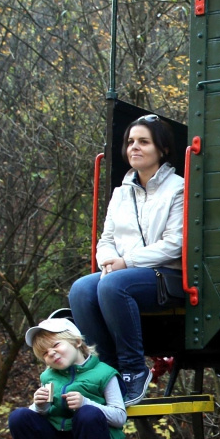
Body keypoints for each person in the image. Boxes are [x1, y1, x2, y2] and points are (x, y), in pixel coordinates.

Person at [69, 115, 184, 406]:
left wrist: (126, 262)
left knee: (113, 285)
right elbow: (106, 239)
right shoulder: (121, 193)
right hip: (122, 273)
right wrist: (108, 261)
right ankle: (106, 372)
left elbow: (175, 244)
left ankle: (134, 370)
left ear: (162, 149)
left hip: (165, 277)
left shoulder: (178, 188)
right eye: (130, 141)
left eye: (144, 142)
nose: (134, 147)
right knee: (81, 290)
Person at [8, 318, 127, 439]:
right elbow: (39, 416)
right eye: (45, 353)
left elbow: (120, 417)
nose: (51, 353)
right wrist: (40, 406)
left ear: (77, 342)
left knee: (88, 413)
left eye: (56, 345)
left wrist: (86, 403)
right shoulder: (48, 376)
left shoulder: (105, 373)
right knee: (19, 417)